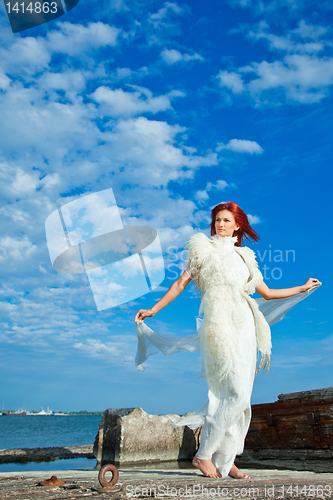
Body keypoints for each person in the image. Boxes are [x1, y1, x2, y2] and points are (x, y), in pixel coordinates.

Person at [134, 202, 321, 480]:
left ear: (237, 225)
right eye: (217, 220)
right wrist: (152, 310)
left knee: (242, 397)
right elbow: (180, 284)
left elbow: (267, 294)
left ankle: (226, 458)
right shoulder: (203, 250)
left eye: (225, 220)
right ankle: (204, 455)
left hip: (245, 325)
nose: (220, 224)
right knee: (231, 391)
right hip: (219, 325)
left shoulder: (246, 257)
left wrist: (302, 287)